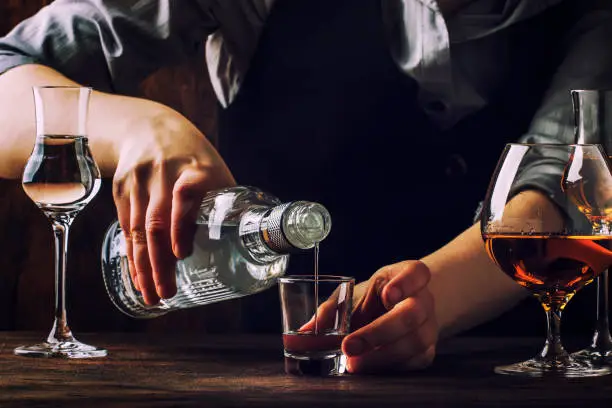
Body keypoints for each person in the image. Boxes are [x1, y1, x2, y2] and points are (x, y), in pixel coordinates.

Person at [0, 0, 611, 374]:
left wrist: (432, 300)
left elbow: (563, 192)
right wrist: (140, 128)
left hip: (527, 380)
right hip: (274, 384)